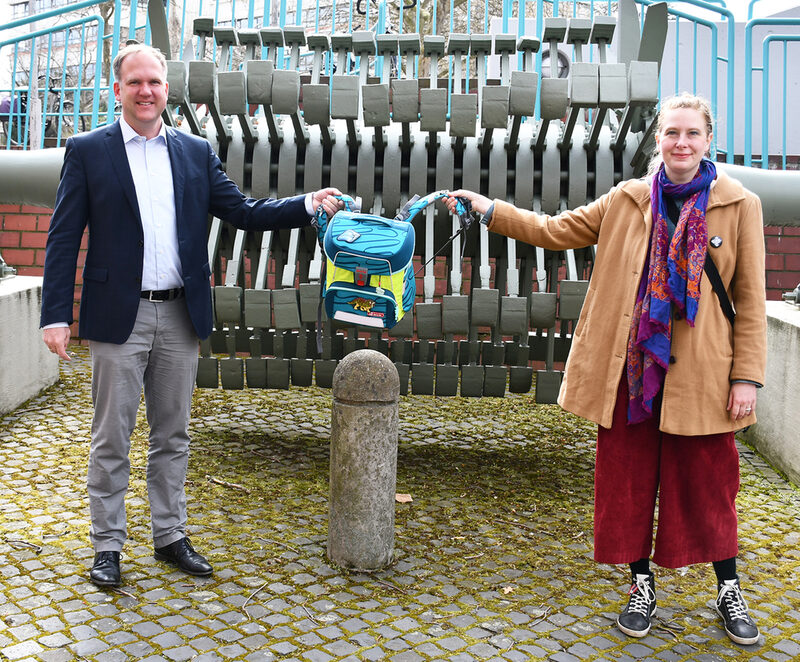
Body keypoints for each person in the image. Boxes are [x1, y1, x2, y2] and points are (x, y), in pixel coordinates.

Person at [447, 93, 766, 646]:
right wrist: (488, 209)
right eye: (671, 133)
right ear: (659, 140)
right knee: (628, 481)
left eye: (691, 133)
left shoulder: (739, 205)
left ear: (708, 139)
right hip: (633, 371)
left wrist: (746, 378)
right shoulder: (628, 200)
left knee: (710, 485)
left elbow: (752, 299)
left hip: (703, 374)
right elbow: (553, 231)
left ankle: (727, 587)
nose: (681, 143)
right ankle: (640, 586)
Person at [40, 43, 342, 588]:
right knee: (112, 437)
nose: (146, 91)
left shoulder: (195, 151)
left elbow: (244, 212)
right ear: (118, 90)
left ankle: (169, 535)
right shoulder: (87, 150)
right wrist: (54, 314)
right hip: (118, 318)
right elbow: (63, 239)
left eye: (154, 81)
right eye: (135, 83)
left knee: (173, 435)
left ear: (166, 88)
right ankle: (107, 545)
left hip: (181, 316)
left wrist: (305, 204)